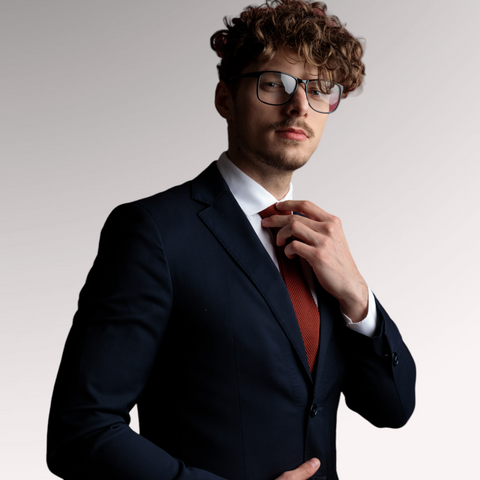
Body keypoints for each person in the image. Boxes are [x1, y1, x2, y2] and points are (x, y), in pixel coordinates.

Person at [47, 1, 416, 479]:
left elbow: (394, 407)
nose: (299, 105)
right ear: (225, 98)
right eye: (274, 84)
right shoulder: (152, 233)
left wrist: (357, 297)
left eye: (320, 89)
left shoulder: (323, 247)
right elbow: (81, 432)